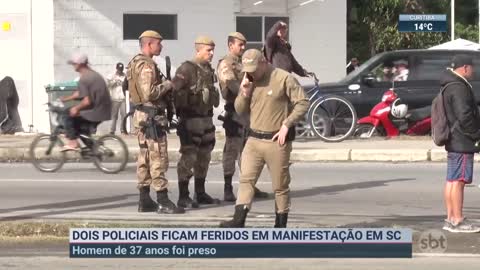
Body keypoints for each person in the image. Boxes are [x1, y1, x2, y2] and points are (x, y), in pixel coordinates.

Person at [219, 49, 309, 228]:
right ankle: (238, 221)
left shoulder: (283, 78)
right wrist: (244, 92)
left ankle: (280, 225)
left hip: (276, 141)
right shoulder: (248, 78)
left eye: (254, 68)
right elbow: (239, 109)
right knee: (246, 180)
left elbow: (303, 102)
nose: (250, 73)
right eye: (247, 69)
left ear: (263, 62)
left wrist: (287, 124)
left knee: (280, 185)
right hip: (253, 140)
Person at [126, 30, 184, 214]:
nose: (161, 46)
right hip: (151, 118)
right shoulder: (146, 66)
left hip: (143, 116)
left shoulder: (135, 62)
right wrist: (169, 85)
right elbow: (149, 93)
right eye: (159, 43)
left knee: (145, 157)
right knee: (158, 157)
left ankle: (144, 199)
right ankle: (162, 199)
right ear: (149, 44)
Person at [216, 32, 269, 202]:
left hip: (248, 113)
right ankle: (227, 188)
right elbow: (230, 84)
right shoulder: (226, 63)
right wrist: (246, 91)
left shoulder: (242, 63)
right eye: (240, 45)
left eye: (244, 44)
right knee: (232, 150)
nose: (243, 48)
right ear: (231, 45)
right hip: (235, 112)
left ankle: (249, 187)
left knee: (249, 153)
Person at [172, 36, 221, 209]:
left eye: (213, 50)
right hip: (190, 121)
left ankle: (200, 193)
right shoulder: (186, 68)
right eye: (208, 50)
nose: (212, 53)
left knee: (204, 157)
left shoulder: (208, 69)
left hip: (206, 120)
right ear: (198, 50)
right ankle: (183, 196)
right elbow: (175, 91)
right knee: (188, 158)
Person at [441, 54, 480, 233]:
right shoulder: (459, 87)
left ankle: (450, 218)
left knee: (452, 180)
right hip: (462, 140)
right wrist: (476, 134)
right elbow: (464, 115)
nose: (473, 70)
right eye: (471, 67)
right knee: (459, 181)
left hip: (453, 139)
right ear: (465, 68)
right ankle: (457, 220)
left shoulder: (449, 85)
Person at [60, 53, 112, 151]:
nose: (73, 66)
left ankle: (73, 142)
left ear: (80, 64)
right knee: (81, 129)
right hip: (103, 109)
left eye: (74, 64)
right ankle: (93, 148)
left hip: (95, 112)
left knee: (67, 114)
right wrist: (66, 99)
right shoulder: (92, 74)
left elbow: (87, 101)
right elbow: (80, 93)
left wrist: (76, 108)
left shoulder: (84, 79)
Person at [107, 62, 126, 135]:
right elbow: (108, 85)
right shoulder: (112, 76)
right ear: (116, 69)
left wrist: (123, 83)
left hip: (123, 99)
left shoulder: (125, 76)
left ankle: (123, 130)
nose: (120, 71)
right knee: (114, 116)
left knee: (124, 115)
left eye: (121, 70)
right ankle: (112, 130)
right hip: (114, 99)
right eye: (119, 70)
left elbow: (128, 86)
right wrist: (115, 81)